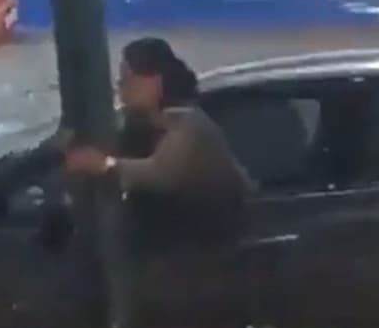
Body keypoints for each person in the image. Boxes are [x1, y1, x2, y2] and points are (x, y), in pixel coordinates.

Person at [63, 37, 252, 252]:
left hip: (207, 253)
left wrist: (104, 164)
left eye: (128, 79)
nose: (121, 86)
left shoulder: (189, 123)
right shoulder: (141, 124)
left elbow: (161, 173)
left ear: (156, 82)